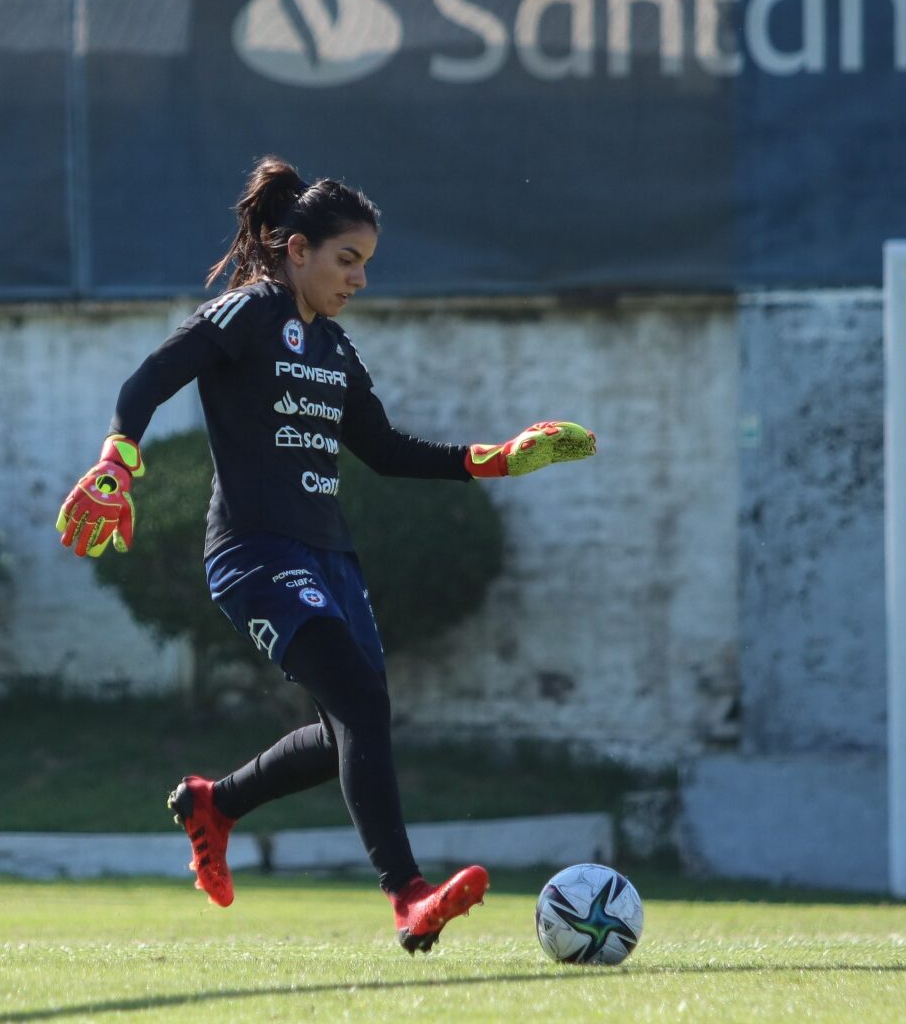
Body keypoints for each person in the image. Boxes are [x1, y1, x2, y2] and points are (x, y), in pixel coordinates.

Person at [54, 155, 596, 954]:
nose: (359, 280)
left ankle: (217, 802)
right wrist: (116, 458)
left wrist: (497, 457)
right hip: (254, 552)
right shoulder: (249, 312)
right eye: (348, 260)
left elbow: (384, 449)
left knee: (349, 725)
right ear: (296, 248)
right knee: (361, 705)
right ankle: (409, 895)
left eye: (366, 265)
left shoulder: (337, 348)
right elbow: (152, 376)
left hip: (330, 557)